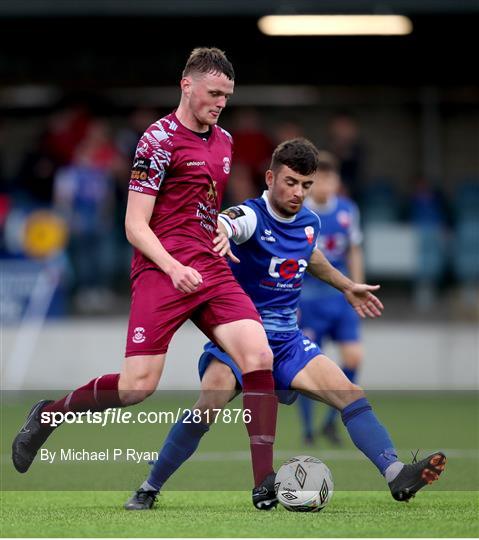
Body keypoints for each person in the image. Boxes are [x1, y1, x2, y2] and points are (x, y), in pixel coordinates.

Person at [11, 47, 280, 509]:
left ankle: (264, 484)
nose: (220, 102)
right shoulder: (156, 141)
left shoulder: (225, 141)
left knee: (258, 355)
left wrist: (221, 229)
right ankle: (51, 414)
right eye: (213, 93)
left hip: (211, 269)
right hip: (162, 269)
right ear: (186, 84)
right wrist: (173, 268)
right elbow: (135, 225)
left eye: (226, 96)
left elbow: (202, 203)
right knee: (138, 387)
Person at [124, 138, 446, 510]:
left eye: (306, 186)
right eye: (290, 182)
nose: (298, 193)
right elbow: (231, 222)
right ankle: (149, 487)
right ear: (270, 177)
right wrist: (224, 230)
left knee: (350, 393)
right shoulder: (251, 215)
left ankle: (397, 475)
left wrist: (347, 286)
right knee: (208, 403)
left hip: (288, 343)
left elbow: (310, 254)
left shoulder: (310, 222)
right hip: (240, 341)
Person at [297, 151, 364, 446]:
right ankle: (308, 429)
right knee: (309, 366)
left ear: (337, 180)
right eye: (319, 177)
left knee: (353, 357)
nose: (325, 182)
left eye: (330, 176)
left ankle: (330, 422)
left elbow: (353, 249)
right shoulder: (300, 212)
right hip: (307, 299)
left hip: (339, 296)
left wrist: (356, 284)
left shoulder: (348, 210)